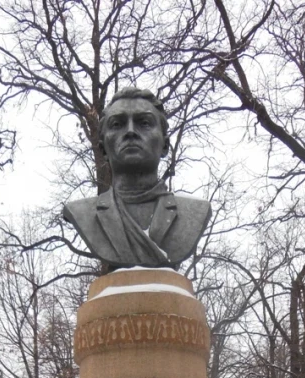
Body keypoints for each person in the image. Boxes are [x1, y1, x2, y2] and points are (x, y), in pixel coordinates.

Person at [63, 88, 211, 271]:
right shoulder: (82, 213)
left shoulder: (194, 212)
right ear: (103, 149)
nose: (130, 132)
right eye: (117, 124)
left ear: (165, 146)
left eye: (144, 123)